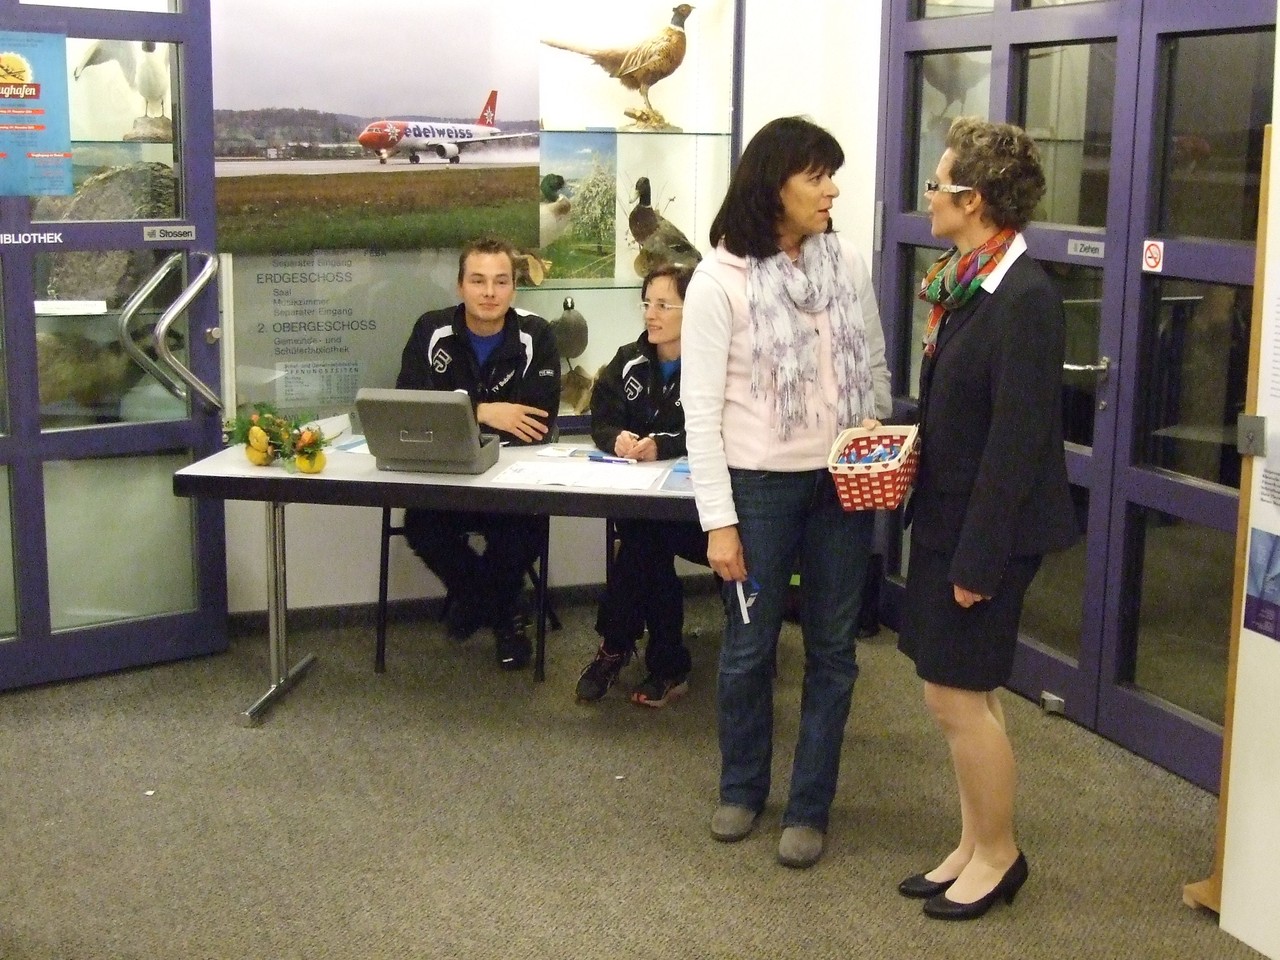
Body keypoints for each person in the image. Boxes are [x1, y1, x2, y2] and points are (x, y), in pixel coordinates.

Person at [681, 117, 892, 869]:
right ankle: (742, 788)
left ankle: (809, 805)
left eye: (832, 176)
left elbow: (874, 362)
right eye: (817, 177)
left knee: (833, 649)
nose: (832, 191)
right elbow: (700, 412)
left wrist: (874, 430)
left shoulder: (846, 263)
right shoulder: (719, 281)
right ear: (775, 187)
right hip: (759, 488)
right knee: (749, 649)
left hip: (842, 482)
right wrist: (719, 523)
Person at [895, 117, 1078, 920]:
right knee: (962, 693)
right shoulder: (967, 282)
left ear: (972, 200)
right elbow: (961, 407)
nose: (929, 196)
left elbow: (1015, 443)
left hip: (986, 530)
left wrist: (979, 560)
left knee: (956, 698)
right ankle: (974, 842)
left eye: (938, 184)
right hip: (951, 514)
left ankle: (1000, 855)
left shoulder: (1026, 297)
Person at [395, 235, 561, 671]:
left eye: (501, 281)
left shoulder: (537, 335)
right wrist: (484, 411)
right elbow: (410, 405)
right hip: (446, 472)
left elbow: (537, 420)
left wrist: (455, 415)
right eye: (478, 280)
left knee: (522, 533)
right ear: (460, 286)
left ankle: (477, 606)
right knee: (421, 526)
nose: (489, 292)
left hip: (511, 474)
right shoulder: (431, 330)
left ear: (514, 288)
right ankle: (501, 608)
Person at [575, 263, 709, 708]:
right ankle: (667, 664)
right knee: (645, 540)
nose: (651, 314)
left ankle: (614, 647)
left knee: (643, 541)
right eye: (647, 303)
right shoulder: (628, 360)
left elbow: (719, 429)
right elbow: (601, 419)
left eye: (664, 305)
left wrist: (663, 445)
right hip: (643, 501)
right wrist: (616, 438)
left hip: (704, 512)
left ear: (695, 309)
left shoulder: (715, 363)